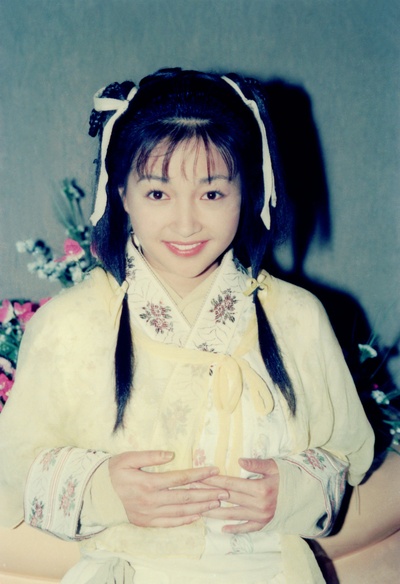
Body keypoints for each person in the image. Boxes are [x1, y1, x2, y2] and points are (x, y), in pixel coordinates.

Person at [0, 68, 374, 584]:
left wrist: (292, 490)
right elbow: (14, 469)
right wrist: (102, 488)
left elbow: (347, 452)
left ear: (248, 193)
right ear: (121, 193)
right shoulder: (70, 325)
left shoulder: (298, 317)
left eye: (212, 194)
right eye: (158, 194)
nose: (185, 223)